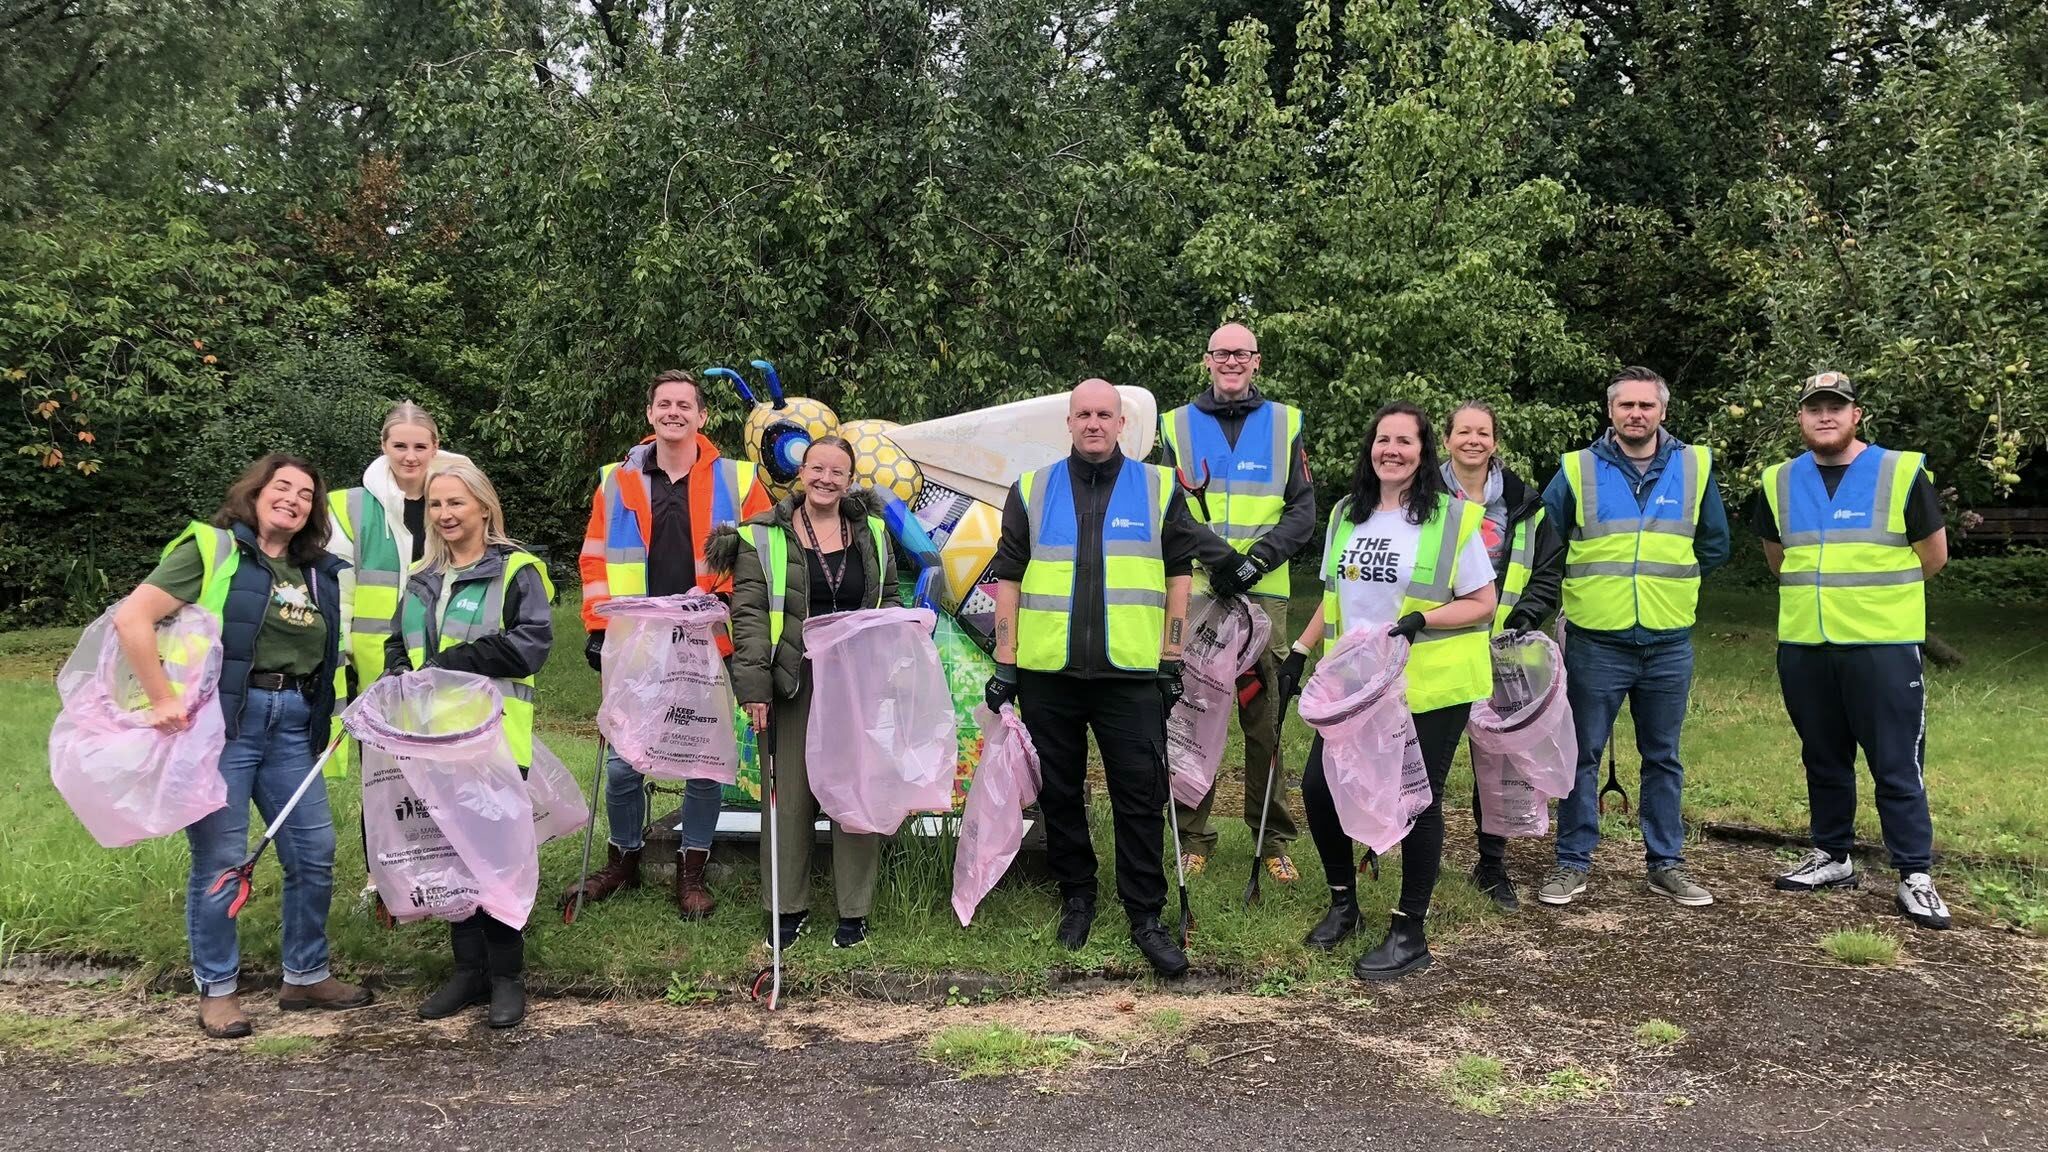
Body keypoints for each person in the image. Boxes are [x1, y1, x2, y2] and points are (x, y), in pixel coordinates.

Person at [112, 454, 372, 1038]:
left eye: (306, 495)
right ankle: (219, 991)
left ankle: (305, 976)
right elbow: (133, 619)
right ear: (255, 492)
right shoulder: (213, 550)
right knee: (222, 859)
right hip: (224, 728)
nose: (293, 499)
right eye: (282, 487)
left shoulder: (318, 572)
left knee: (314, 853)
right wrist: (160, 699)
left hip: (292, 724)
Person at [984, 378, 1205, 979]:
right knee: (1061, 792)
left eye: (1104, 414)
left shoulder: (1158, 488)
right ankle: (1077, 896)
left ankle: (1146, 915)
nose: (1094, 423)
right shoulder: (1031, 489)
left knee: (1140, 794)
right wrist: (1006, 662)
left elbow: (1180, 574)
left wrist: (1172, 657)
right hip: (1049, 673)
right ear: (1069, 421)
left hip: (1131, 675)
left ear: (1121, 423)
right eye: (1083, 413)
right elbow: (1009, 575)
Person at [1287, 402, 1497, 981]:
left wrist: (1423, 621)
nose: (1392, 451)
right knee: (1321, 787)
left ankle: (1410, 930)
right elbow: (1335, 597)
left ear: (1424, 452)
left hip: (1425, 685)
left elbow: (1484, 602)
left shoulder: (1453, 519)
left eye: (1406, 441)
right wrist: (1299, 652)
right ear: (1370, 448)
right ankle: (1343, 904)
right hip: (1356, 684)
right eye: (1384, 440)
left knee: (1415, 800)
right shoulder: (1345, 516)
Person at [561, 369, 772, 920]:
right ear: (651, 414)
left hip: (708, 638)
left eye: (685, 404)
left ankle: (692, 869)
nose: (673, 412)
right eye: (664, 404)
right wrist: (596, 626)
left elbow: (757, 560)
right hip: (636, 638)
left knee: (701, 754)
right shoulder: (616, 480)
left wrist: (729, 610)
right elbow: (595, 556)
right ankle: (624, 859)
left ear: (702, 417)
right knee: (625, 758)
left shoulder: (739, 479)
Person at [1752, 372, 1952, 930]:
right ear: (1800, 417)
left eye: (1835, 407)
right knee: (1823, 756)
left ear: (1855, 414)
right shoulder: (1779, 481)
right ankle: (1833, 856)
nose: (1824, 416)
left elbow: (1932, 556)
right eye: (1813, 407)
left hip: (1882, 645)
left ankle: (1914, 874)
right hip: (1806, 644)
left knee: (1895, 762)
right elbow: (1779, 559)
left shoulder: (1900, 472)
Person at [1537, 367, 1730, 908]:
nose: (1636, 414)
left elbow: (1713, 545)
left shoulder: (1695, 465)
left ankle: (1666, 864)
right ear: (1611, 412)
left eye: (1647, 405)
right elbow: (1547, 545)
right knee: (1582, 756)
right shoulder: (1577, 469)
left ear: (1662, 412)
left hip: (1668, 642)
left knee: (1663, 756)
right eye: (1627, 406)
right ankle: (1571, 863)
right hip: (1597, 641)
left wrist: (1669, 591)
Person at [382, 462, 555, 1026]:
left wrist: (448, 665)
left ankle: (506, 975)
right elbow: (397, 643)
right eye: (435, 505)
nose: (446, 514)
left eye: (456, 503)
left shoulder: (517, 570)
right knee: (451, 854)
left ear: (484, 507)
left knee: (497, 859)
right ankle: (468, 971)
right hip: (432, 743)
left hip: (495, 742)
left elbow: (529, 645)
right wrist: (394, 678)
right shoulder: (421, 577)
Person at [710, 437, 899, 949]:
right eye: (817, 468)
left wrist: (888, 670)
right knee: (788, 797)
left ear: (849, 478)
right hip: (790, 681)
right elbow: (746, 616)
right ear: (802, 471)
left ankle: (853, 911)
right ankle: (785, 909)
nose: (826, 479)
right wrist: (753, 688)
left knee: (853, 793)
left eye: (838, 472)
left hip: (855, 684)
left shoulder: (874, 532)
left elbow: (891, 602)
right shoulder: (761, 536)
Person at [1157, 322, 1317, 882]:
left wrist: (1255, 562)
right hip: (1199, 588)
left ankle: (1271, 839)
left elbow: (1303, 511)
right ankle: (1193, 834)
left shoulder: (1285, 423)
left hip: (1264, 593)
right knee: (1195, 715)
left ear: (1256, 361)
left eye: (1241, 354)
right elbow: (1166, 507)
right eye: (1221, 353)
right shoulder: (1174, 424)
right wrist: (1221, 560)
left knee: (1263, 718)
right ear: (1206, 361)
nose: (1231, 361)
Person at [326, 401, 471, 914]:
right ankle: (379, 879)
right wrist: (339, 649)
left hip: (440, 654)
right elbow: (337, 586)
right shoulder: (351, 507)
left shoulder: (453, 495)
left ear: (435, 446)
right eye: (399, 445)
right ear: (384, 446)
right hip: (374, 661)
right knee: (383, 772)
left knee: (443, 766)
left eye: (420, 445)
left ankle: (443, 870)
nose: (410, 456)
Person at [1439, 401, 1565, 911]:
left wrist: (1524, 618)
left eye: (1483, 433)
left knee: (1498, 762)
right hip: (1435, 645)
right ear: (1446, 440)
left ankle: (1491, 864)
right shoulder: (1417, 494)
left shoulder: (1523, 502)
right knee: (1426, 754)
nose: (1473, 440)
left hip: (1501, 648)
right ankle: (1403, 853)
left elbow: (1548, 567)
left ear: (1495, 441)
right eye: (1463, 431)